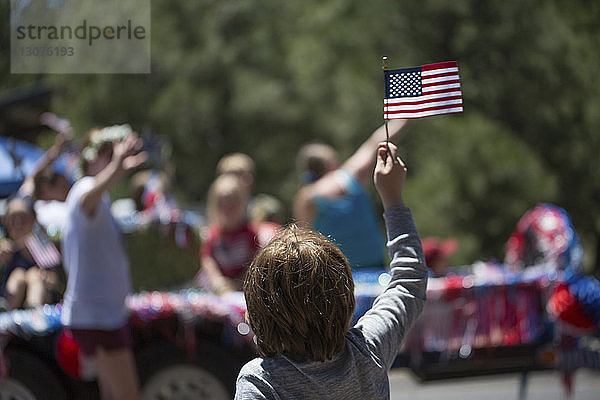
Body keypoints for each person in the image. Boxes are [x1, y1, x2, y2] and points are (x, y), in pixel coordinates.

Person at [236, 141, 428, 399]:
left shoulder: (260, 380)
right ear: (346, 297)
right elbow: (409, 280)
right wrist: (393, 201)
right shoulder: (368, 350)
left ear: (259, 311)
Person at [61, 126, 145, 400]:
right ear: (91, 157)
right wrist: (116, 168)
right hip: (99, 317)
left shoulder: (100, 196)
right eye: (107, 152)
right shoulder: (85, 188)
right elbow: (89, 198)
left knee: (112, 394)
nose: (114, 157)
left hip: (101, 314)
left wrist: (116, 170)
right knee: (127, 395)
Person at [293, 119, 409, 270]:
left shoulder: (306, 198)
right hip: (375, 270)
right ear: (331, 164)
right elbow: (376, 142)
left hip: (336, 277)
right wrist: (408, 116)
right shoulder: (349, 176)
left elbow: (304, 243)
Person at [197, 174, 261, 294]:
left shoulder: (250, 232)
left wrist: (241, 283)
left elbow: (255, 260)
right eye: (222, 203)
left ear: (242, 203)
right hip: (217, 289)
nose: (227, 208)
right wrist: (217, 280)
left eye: (232, 203)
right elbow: (207, 259)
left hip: (243, 288)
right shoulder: (212, 234)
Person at [0, 196, 59, 310]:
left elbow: (55, 281)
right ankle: (9, 316)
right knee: (18, 276)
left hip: (42, 298)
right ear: (6, 222)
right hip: (11, 297)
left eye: (23, 218)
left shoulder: (43, 245)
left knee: (34, 276)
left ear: (33, 219)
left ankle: (33, 313)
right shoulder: (4, 247)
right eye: (13, 219)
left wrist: (44, 276)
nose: (18, 223)